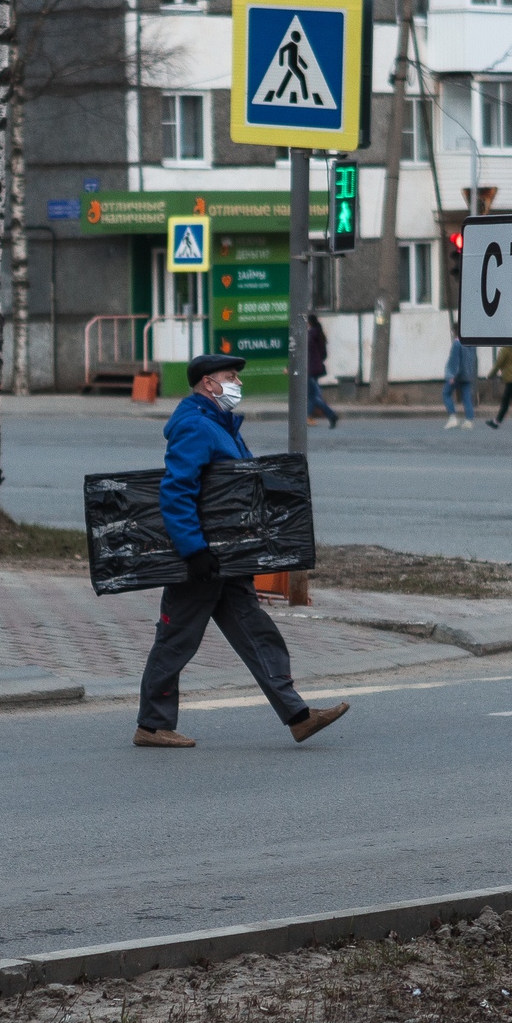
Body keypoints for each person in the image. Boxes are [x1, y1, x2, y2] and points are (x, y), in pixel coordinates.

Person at [134, 353, 349, 749]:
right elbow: (177, 490)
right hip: (203, 559)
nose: (238, 383)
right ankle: (151, 725)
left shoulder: (221, 426)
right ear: (208, 385)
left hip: (226, 558)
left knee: (257, 632)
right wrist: (194, 551)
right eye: (230, 376)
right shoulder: (197, 427)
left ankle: (298, 716)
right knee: (177, 639)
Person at [304, 312, 338, 429]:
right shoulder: (319, 333)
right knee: (313, 395)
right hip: (316, 368)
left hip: (310, 369)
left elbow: (303, 353)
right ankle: (308, 416)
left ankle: (331, 414)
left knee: (313, 396)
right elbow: (323, 354)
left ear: (309, 323)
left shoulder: (309, 335)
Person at [442, 330, 476, 429]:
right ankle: (469, 420)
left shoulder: (457, 344)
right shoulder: (472, 344)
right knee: (467, 397)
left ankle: (453, 417)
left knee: (446, 393)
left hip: (458, 375)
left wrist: (452, 375)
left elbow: (454, 360)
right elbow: (473, 360)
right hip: (468, 374)